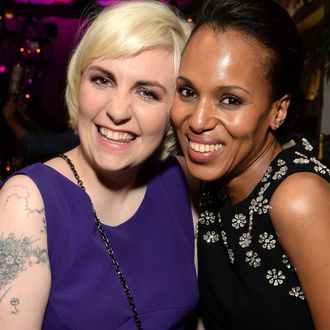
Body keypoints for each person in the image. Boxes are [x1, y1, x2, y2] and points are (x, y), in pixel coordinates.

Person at [0, 1, 199, 329]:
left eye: (147, 92)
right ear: (79, 82)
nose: (118, 110)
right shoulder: (26, 202)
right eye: (103, 80)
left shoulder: (185, 181)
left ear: (175, 110)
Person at [171, 0, 330, 329]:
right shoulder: (213, 181)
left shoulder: (298, 198)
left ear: (278, 111)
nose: (197, 120)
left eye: (230, 100)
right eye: (187, 91)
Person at [3, 99, 79, 156]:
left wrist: (10, 119)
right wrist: (25, 116)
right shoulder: (73, 131)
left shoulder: (76, 136)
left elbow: (38, 144)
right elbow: (45, 134)